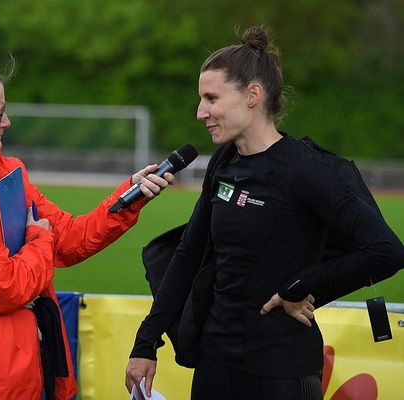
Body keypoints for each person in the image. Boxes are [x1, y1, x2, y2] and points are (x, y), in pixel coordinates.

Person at [125, 26, 404, 400]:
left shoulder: (308, 170)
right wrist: (146, 343)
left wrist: (304, 287)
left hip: (282, 371)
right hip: (214, 363)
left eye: (211, 98)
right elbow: (189, 254)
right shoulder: (224, 161)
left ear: (253, 95)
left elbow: (386, 250)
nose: (200, 112)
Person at [0, 59, 174, 399]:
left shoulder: (5, 173)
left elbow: (70, 240)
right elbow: (3, 287)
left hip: (21, 372)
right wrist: (38, 237)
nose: (7, 122)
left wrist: (128, 197)